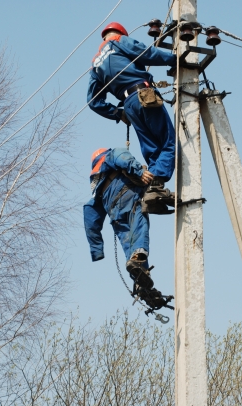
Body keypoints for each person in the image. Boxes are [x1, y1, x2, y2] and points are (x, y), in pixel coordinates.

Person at [87, 22, 177, 214]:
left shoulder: (95, 63)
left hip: (128, 106)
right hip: (144, 94)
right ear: (119, 33)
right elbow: (146, 53)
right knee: (169, 142)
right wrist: (175, 59)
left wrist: (117, 113)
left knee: (152, 147)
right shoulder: (118, 41)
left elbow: (93, 101)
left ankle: (153, 189)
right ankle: (158, 180)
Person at [83, 147, 169, 308]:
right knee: (140, 225)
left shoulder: (96, 184)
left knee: (130, 246)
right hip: (127, 196)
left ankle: (141, 283)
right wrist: (139, 172)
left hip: (114, 214)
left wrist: (97, 249)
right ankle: (139, 264)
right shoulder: (110, 155)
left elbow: (90, 217)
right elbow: (122, 156)